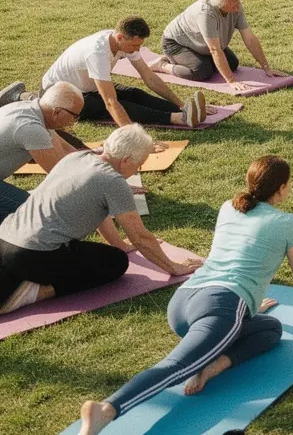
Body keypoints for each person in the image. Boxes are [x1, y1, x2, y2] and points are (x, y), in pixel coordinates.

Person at [68, 155, 293, 435]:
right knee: (175, 368)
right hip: (220, 308)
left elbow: (236, 256)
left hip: (184, 301)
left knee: (271, 329)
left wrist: (248, 306)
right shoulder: (287, 223)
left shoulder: (229, 207)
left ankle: (214, 363)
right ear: (282, 189)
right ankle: (107, 409)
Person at [0, 125, 203, 316]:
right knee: (115, 262)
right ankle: (32, 292)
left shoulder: (78, 158)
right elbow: (140, 236)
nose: (139, 169)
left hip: (5, 239)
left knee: (108, 252)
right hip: (33, 254)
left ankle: (16, 281)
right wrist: (174, 267)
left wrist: (120, 244)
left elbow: (97, 210)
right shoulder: (113, 181)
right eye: (139, 164)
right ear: (126, 160)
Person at [41, 18, 204, 128]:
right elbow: (110, 102)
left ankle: (184, 111)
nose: (138, 50)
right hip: (59, 97)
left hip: (85, 87)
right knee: (115, 104)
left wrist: (180, 103)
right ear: (120, 37)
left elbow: (149, 77)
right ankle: (178, 118)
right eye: (134, 46)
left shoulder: (122, 42)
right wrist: (130, 136)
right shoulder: (97, 53)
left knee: (134, 93)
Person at [155, 0, 288, 94]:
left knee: (232, 64)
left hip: (201, 44)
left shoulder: (236, 7)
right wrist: (231, 81)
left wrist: (266, 67)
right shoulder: (206, 13)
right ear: (222, 0)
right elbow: (214, 50)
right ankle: (162, 65)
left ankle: (192, 59)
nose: (238, 4)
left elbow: (250, 38)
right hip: (176, 44)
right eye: (234, 1)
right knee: (202, 71)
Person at [0, 83, 83, 222]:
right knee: (39, 217)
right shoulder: (31, 128)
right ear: (57, 112)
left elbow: (68, 151)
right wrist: (107, 189)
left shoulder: (34, 111)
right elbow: (62, 176)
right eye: (75, 116)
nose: (75, 121)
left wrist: (95, 163)